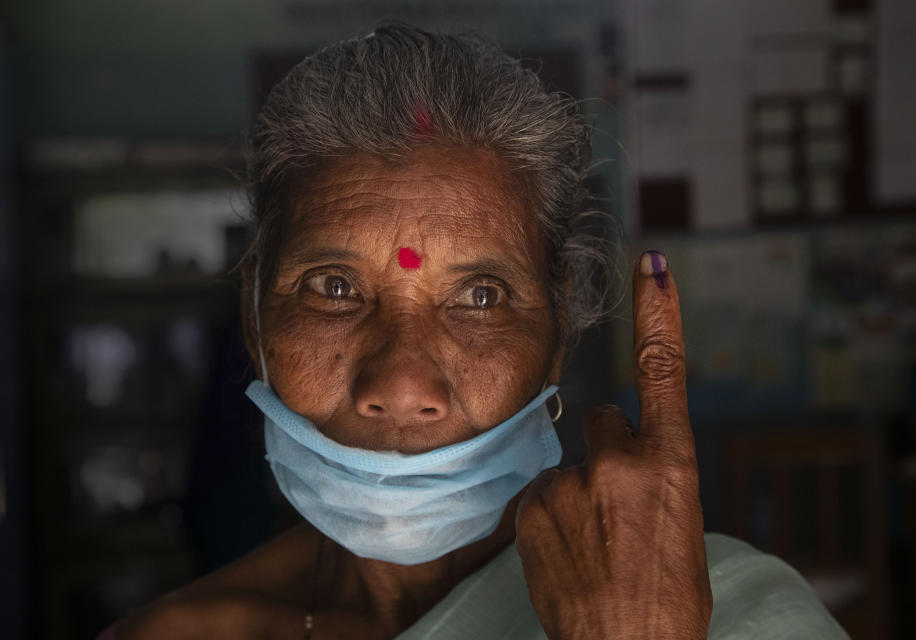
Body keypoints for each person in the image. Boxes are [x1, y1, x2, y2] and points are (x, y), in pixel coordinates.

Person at [103, 22, 848, 639]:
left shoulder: (738, 614)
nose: (400, 387)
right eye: (334, 288)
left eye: (481, 296)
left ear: (557, 333)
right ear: (254, 315)